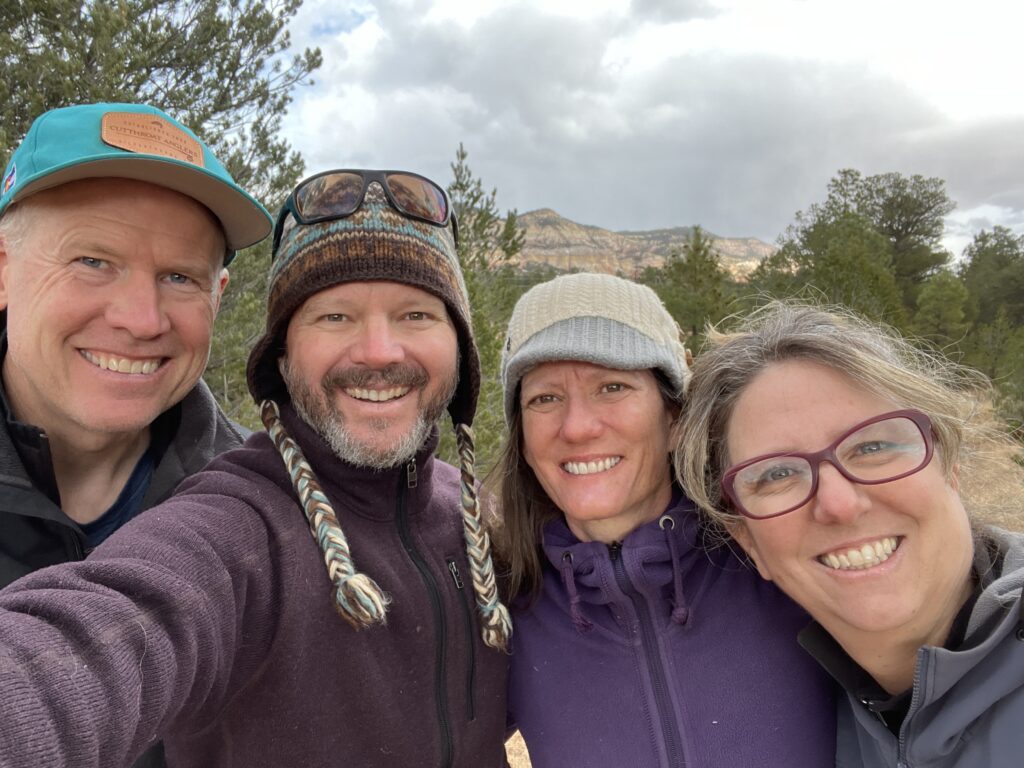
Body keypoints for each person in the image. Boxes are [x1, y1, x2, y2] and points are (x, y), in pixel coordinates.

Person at [0, 169, 512, 767]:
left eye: (417, 315)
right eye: (335, 317)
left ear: (460, 347)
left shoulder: (480, 520)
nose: (379, 351)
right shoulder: (237, 526)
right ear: (282, 355)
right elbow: (98, 639)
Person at [495, 273, 836, 768]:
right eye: (544, 398)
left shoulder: (781, 560)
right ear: (523, 441)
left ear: (675, 420)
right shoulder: (505, 610)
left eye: (612, 386)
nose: (577, 427)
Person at [675, 301, 1024, 768]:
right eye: (777, 474)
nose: (839, 504)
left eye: (874, 446)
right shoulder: (802, 718)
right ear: (747, 541)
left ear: (950, 467)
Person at [0, 102, 271, 584]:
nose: (142, 320)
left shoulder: (261, 504)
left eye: (180, 276)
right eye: (93, 262)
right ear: (4, 270)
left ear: (218, 296)